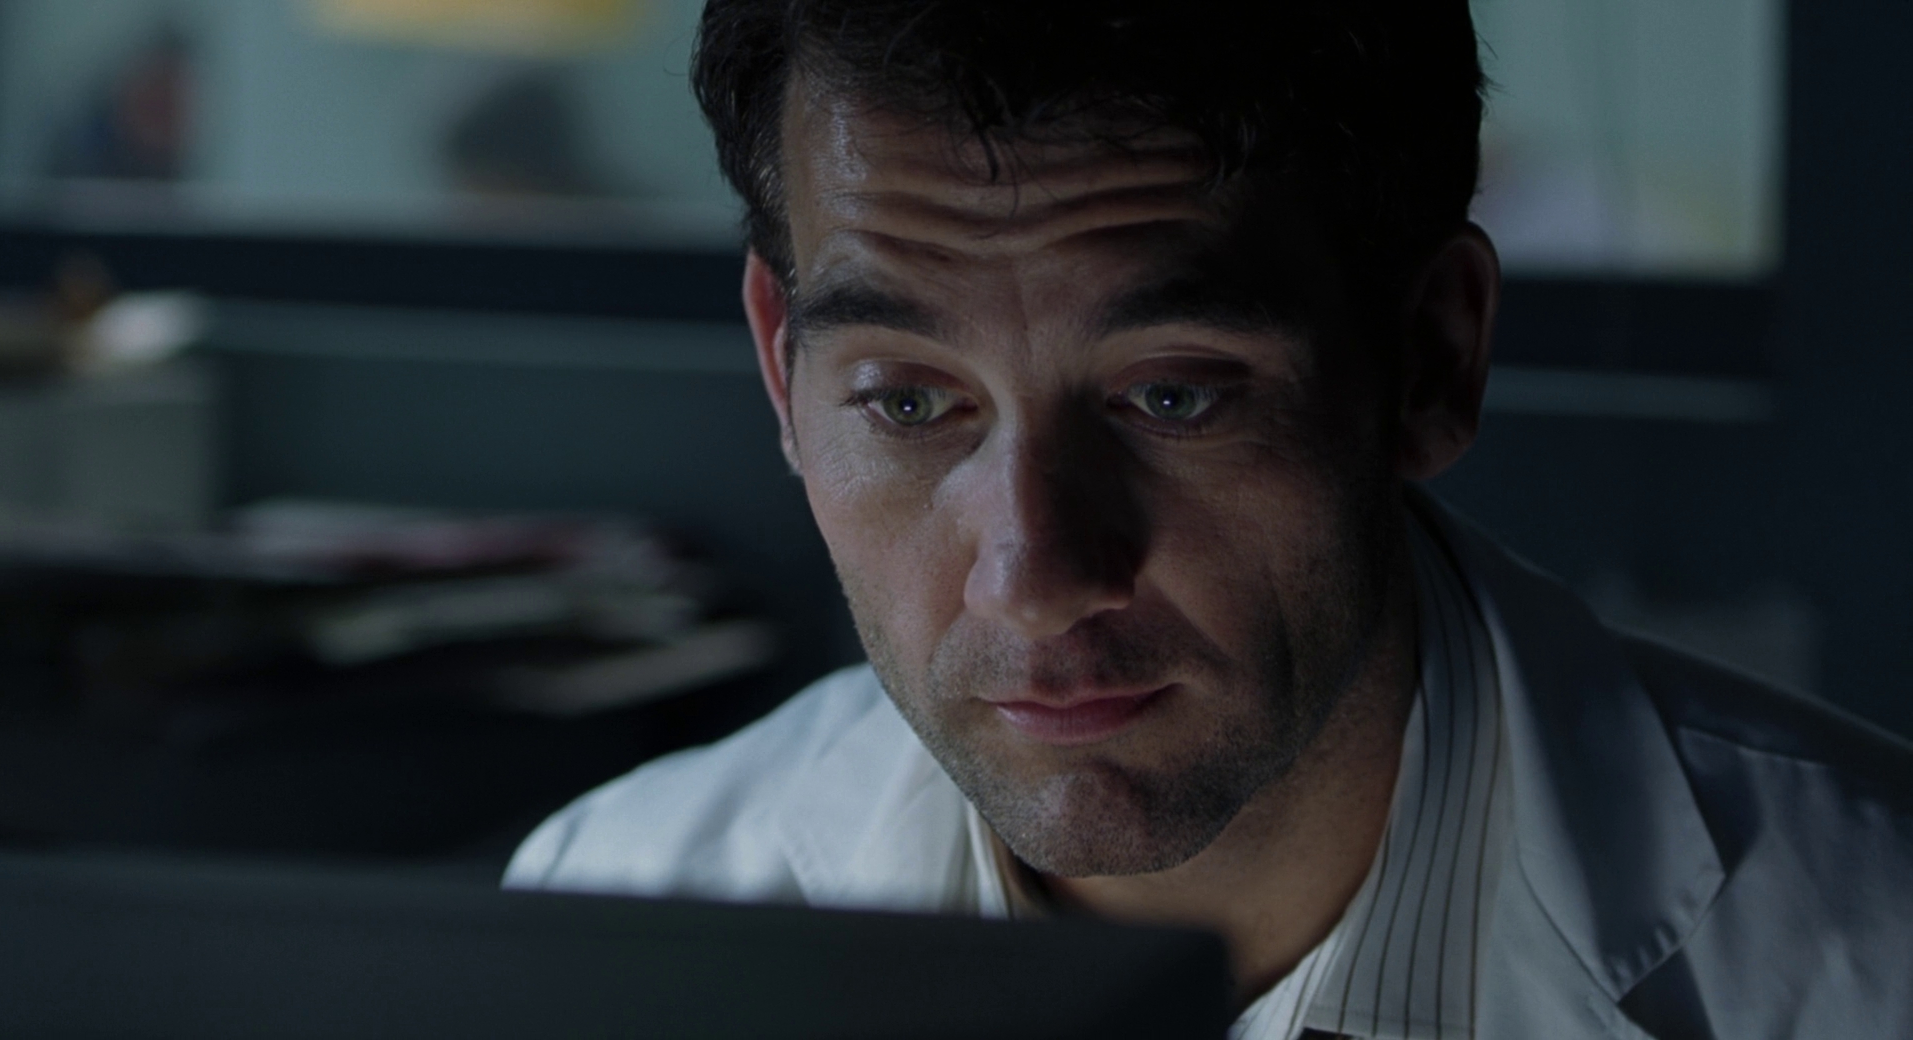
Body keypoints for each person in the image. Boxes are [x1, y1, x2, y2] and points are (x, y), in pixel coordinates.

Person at [504, 1, 1913, 1035]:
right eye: (908, 402)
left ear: (1430, 357)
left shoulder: (1875, 958)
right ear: (781, 366)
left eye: (1171, 397)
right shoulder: (609, 921)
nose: (1035, 576)